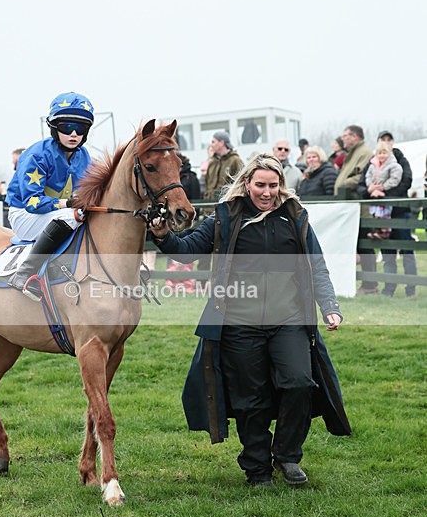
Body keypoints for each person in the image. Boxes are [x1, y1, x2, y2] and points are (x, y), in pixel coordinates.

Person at [150, 154, 347, 488]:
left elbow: (316, 265)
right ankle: (257, 468)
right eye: (260, 185)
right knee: (249, 398)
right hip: (238, 324)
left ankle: (287, 455)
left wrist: (329, 305)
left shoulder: (295, 217)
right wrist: (161, 232)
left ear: (281, 186)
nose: (267, 192)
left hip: (289, 319)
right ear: (246, 184)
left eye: (273, 185)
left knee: (299, 382)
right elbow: (185, 251)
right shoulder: (226, 217)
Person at [5, 91, 94, 300]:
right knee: (73, 216)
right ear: (54, 128)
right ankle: (24, 273)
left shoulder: (84, 156)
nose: (73, 134)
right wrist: (67, 203)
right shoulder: (37, 155)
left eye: (79, 128)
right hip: (24, 216)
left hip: (57, 214)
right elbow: (32, 203)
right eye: (66, 127)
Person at [358, 131, 417, 297]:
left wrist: (385, 195)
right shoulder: (372, 162)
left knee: (407, 251)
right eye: (382, 140)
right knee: (387, 254)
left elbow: (406, 181)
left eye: (388, 140)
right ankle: (388, 289)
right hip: (380, 215)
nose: (385, 143)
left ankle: (411, 289)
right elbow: (362, 185)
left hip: (400, 213)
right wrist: (371, 191)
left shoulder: (400, 159)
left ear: (393, 142)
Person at [334, 125, 375, 295]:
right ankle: (359, 283)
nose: (343, 139)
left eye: (345, 135)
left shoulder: (364, 152)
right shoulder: (352, 154)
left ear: (355, 136)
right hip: (350, 207)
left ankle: (370, 285)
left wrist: (343, 185)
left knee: (365, 246)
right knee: (356, 245)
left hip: (360, 208)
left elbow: (361, 176)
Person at [363, 142, 402, 240]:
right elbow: (368, 176)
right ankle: (376, 230)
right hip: (374, 192)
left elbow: (395, 178)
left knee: (385, 213)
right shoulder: (372, 165)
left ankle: (385, 232)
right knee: (375, 213)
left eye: (384, 153)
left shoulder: (394, 165)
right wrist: (370, 186)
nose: (382, 155)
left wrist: (383, 187)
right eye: (379, 153)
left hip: (384, 193)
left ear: (389, 154)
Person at [203, 131, 243, 203]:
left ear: (221, 143)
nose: (211, 145)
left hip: (227, 207)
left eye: (213, 142)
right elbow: (207, 185)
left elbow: (241, 184)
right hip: (209, 208)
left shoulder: (235, 161)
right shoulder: (212, 163)